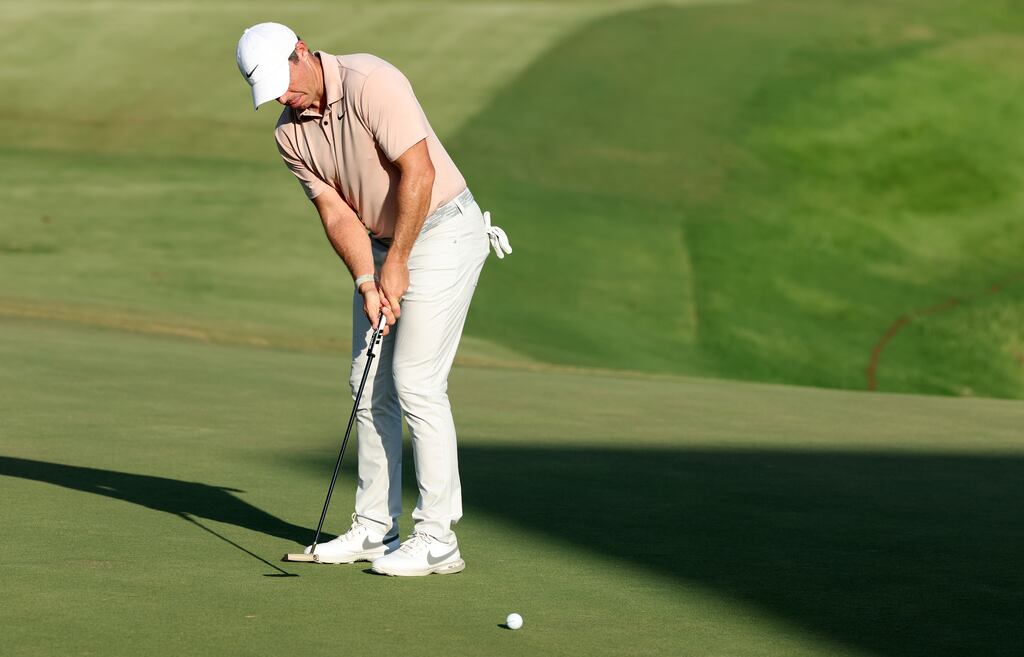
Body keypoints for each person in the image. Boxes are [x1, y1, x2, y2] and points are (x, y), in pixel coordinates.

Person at [235, 22, 510, 576]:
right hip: (383, 244)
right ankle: (373, 530)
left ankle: (437, 539)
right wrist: (368, 278)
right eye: (271, 95)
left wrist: (399, 263)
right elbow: (336, 212)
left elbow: (419, 172)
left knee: (416, 380)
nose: (283, 100)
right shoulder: (289, 135)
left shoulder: (370, 81)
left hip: (442, 230)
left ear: (301, 52)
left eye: (283, 85)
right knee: (367, 381)